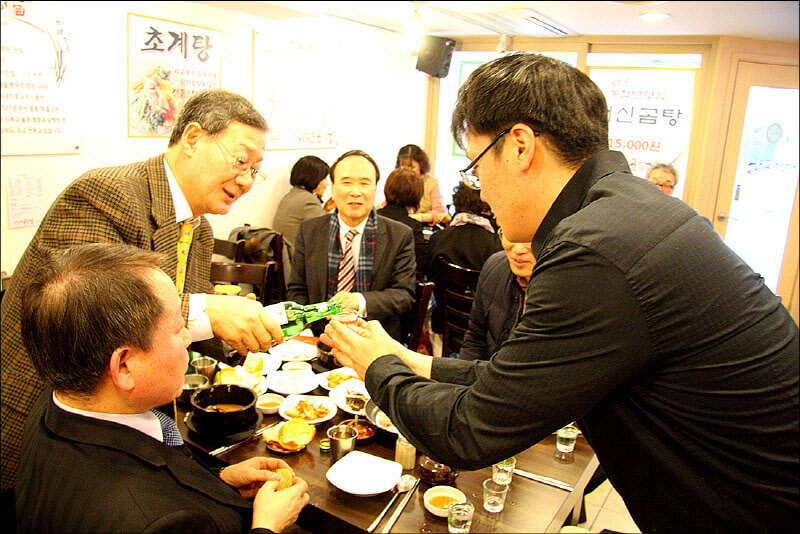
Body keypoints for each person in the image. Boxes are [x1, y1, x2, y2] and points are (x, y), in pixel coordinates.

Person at [321, 53, 799, 534]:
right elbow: (516, 380)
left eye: (477, 169)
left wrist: (373, 364)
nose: (482, 193)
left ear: (520, 146)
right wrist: (408, 359)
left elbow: (469, 432)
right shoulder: (628, 211)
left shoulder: (594, 247)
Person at [0, 88, 285, 492]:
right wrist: (211, 310)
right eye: (241, 161)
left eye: (255, 170)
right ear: (193, 138)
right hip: (46, 420)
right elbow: (85, 314)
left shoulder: (200, 230)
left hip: (125, 423)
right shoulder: (107, 193)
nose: (246, 181)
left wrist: (242, 328)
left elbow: (184, 327)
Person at [15, 243, 309, 533]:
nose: (188, 339)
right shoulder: (159, 521)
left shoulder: (57, 404)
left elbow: (164, 475)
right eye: (179, 329)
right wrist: (267, 526)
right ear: (124, 366)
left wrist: (219, 480)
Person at [287, 149, 416, 341]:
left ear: (376, 189)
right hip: (320, 335)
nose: (355, 192)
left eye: (364, 183)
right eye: (346, 182)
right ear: (333, 188)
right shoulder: (309, 230)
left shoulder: (399, 235)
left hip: (374, 339)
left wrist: (358, 300)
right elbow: (297, 290)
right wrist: (306, 332)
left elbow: (404, 295)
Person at [427, 182, 502, 335]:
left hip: (443, 324)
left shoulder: (438, 239)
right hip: (483, 330)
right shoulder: (496, 246)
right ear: (486, 205)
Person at [458, 229, 535, 361]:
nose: (518, 249)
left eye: (530, 240)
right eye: (510, 236)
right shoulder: (494, 266)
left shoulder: (565, 288)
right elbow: (475, 336)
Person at [377, 168, 431, 275]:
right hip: (402, 281)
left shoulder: (372, 218)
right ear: (417, 194)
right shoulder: (412, 226)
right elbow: (420, 264)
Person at [273, 155, 330, 247]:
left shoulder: (293, 195)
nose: (327, 184)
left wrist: (326, 209)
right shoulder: (308, 200)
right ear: (314, 178)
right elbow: (326, 233)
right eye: (324, 178)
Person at [396, 144, 451, 225]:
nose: (407, 171)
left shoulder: (430, 182)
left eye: (412, 167)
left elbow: (440, 212)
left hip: (421, 225)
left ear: (421, 166)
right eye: (403, 166)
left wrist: (416, 217)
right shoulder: (396, 179)